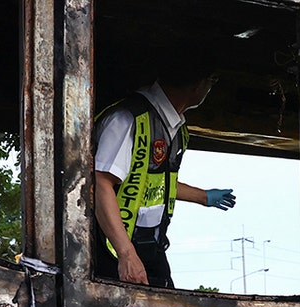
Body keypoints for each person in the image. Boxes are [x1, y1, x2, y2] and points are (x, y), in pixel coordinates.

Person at [93, 56, 237, 288]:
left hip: (149, 247)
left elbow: (154, 181)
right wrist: (126, 253)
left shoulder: (176, 127)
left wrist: (204, 197)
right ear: (197, 85)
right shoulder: (127, 118)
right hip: (113, 250)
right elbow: (102, 182)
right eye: (212, 80)